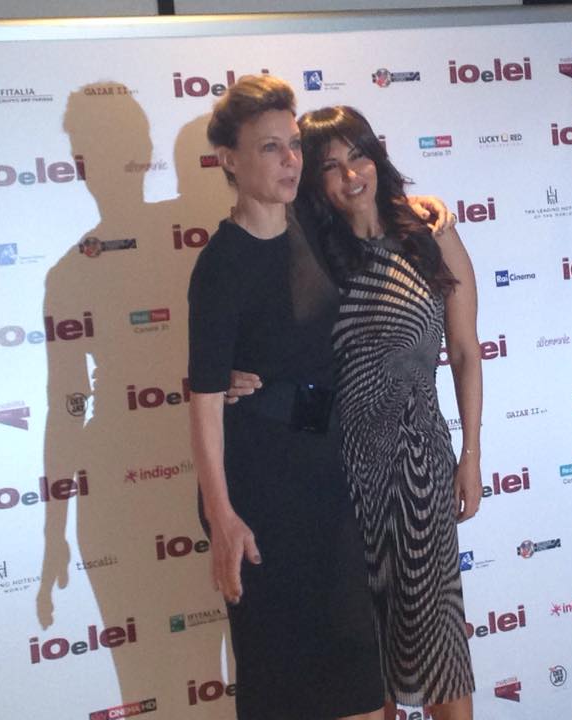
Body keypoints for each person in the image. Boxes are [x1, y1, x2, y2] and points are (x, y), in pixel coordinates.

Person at [187, 75, 384, 720]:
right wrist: (221, 515)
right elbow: (205, 401)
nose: (289, 160)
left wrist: (432, 210)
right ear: (229, 160)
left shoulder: (315, 225)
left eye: (293, 145)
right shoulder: (220, 265)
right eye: (269, 148)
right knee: (281, 677)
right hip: (262, 489)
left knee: (357, 669)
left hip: (335, 477)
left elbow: (376, 206)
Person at [297, 105, 481, 720]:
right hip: (341, 477)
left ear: (377, 157)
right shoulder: (310, 254)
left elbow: (465, 352)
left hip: (420, 463)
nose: (351, 176)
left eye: (359, 157)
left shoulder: (429, 234)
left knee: (438, 645)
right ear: (314, 180)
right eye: (331, 166)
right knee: (363, 653)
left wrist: (471, 455)